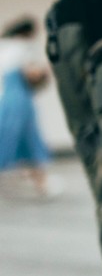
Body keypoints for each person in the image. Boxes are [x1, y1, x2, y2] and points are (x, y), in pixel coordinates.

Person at [0, 16, 53, 197]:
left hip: (8, 98)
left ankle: (40, 184)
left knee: (11, 137)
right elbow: (32, 74)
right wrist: (48, 69)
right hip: (20, 99)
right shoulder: (23, 48)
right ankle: (42, 185)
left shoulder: (5, 47)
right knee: (29, 139)